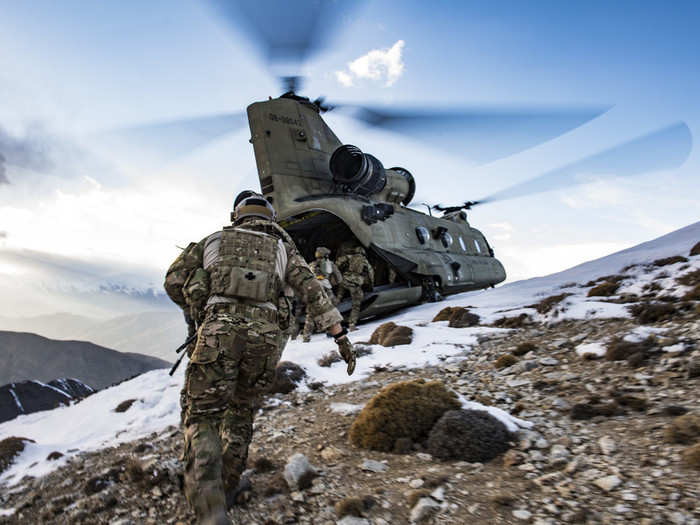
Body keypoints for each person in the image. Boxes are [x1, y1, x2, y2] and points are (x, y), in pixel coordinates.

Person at [164, 191, 356, 525]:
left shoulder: (213, 241)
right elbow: (313, 291)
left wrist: (198, 306)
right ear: (269, 219)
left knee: (203, 417)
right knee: (241, 413)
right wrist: (340, 336)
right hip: (265, 342)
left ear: (236, 215)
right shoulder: (283, 248)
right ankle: (228, 484)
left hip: (218, 334)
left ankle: (209, 506)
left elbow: (172, 281)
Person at [302, 246, 343, 342]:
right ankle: (331, 330)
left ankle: (306, 336)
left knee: (311, 313)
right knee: (330, 309)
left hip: (312, 289)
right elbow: (339, 278)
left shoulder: (310, 265)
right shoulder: (330, 265)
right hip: (326, 289)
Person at [335, 244, 374, 331]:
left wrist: (337, 272)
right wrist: (371, 286)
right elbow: (371, 274)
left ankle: (333, 320)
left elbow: (338, 262)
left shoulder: (348, 256)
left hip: (344, 280)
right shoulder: (365, 261)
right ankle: (352, 324)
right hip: (354, 284)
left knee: (338, 299)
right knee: (356, 305)